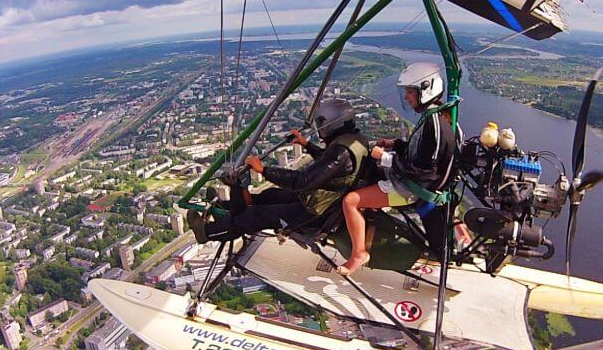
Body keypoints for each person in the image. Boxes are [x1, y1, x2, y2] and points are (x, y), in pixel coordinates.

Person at [187, 98, 369, 243]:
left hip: (318, 215)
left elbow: (302, 181)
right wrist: (306, 144)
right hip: (323, 201)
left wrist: (264, 170)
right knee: (268, 195)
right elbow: (329, 163)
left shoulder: (341, 151)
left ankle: (208, 233)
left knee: (257, 215)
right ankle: (223, 207)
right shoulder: (352, 140)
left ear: (331, 124)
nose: (321, 129)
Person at [337, 62, 457, 275]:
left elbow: (422, 171)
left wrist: (385, 158)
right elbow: (420, 153)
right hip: (411, 182)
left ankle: (359, 253)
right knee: (367, 176)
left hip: (412, 189)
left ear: (426, 89)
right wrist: (395, 144)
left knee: (351, 201)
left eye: (411, 91)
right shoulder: (435, 118)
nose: (407, 97)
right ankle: (368, 229)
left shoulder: (434, 125)